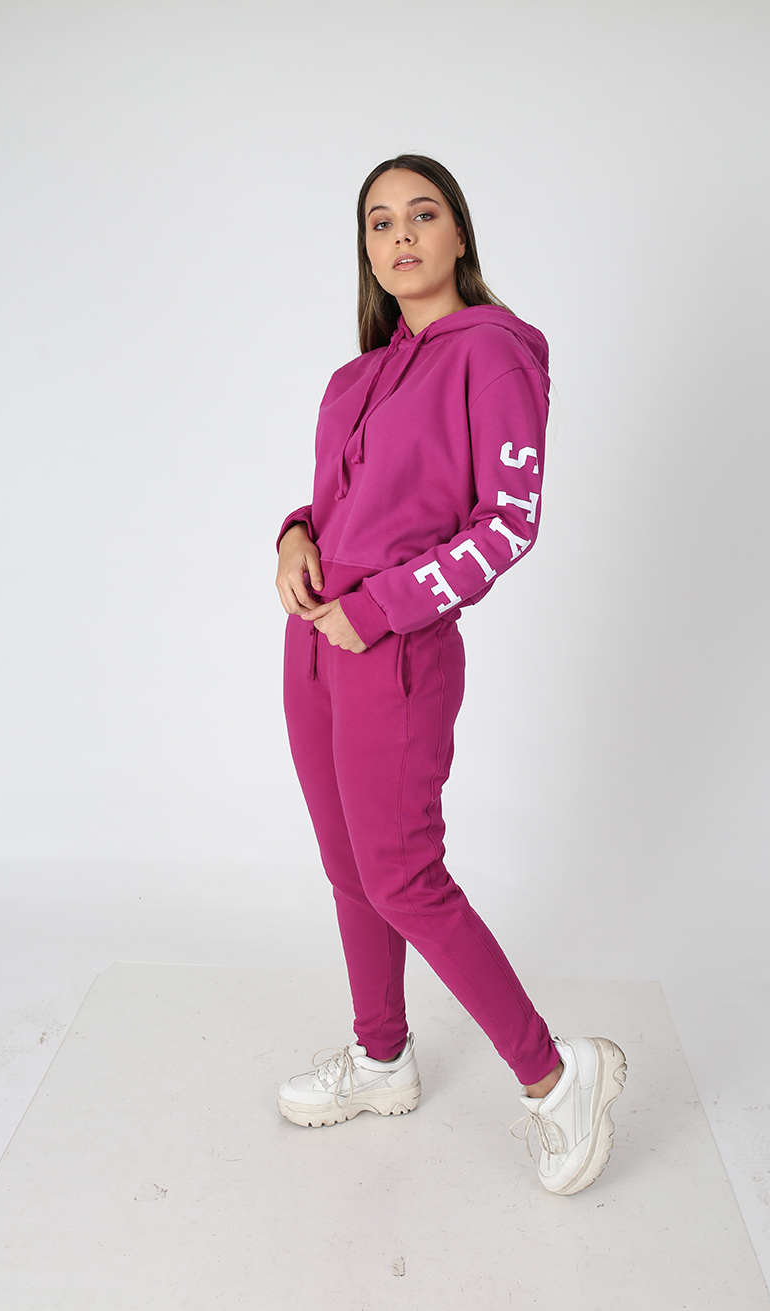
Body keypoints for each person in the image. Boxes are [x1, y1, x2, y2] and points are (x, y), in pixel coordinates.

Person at [274, 154, 626, 1195]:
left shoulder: (495, 354)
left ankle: (556, 1076)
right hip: (315, 645)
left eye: (422, 215)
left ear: (459, 233)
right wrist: (291, 536)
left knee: (403, 876)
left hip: (396, 648)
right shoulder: (355, 377)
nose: (401, 236)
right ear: (366, 249)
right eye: (380, 222)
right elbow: (334, 507)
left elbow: (507, 523)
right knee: (350, 868)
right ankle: (382, 1055)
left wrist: (377, 608)